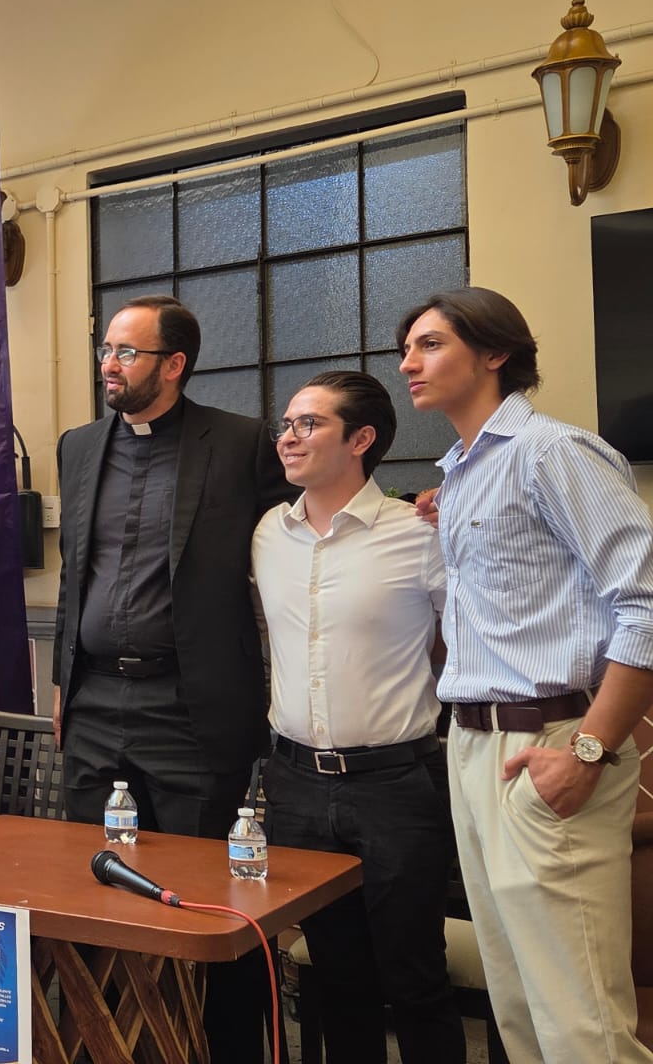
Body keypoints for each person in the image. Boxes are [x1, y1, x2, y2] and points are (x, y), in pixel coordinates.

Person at [398, 287, 653, 1064]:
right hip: (471, 744)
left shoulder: (554, 452)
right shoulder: (461, 474)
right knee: (517, 1009)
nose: (408, 363)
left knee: (580, 1022)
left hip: (551, 738)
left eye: (431, 344)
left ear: (495, 352)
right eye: (406, 348)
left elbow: (645, 606)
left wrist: (588, 752)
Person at [53, 294, 290, 1061]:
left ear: (175, 364)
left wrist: (410, 509)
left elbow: (308, 522)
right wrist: (62, 687)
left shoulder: (240, 443)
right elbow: (73, 578)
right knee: (93, 891)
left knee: (203, 905)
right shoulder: (79, 447)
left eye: (127, 353)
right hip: (94, 702)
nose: (108, 365)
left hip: (190, 706)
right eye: (106, 350)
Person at [251, 371, 463, 1064]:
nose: (288, 437)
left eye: (309, 424)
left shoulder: (419, 533)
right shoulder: (268, 534)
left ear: (361, 439)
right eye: (286, 424)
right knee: (337, 977)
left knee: (414, 975)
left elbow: (468, 638)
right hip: (295, 784)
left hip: (395, 783)